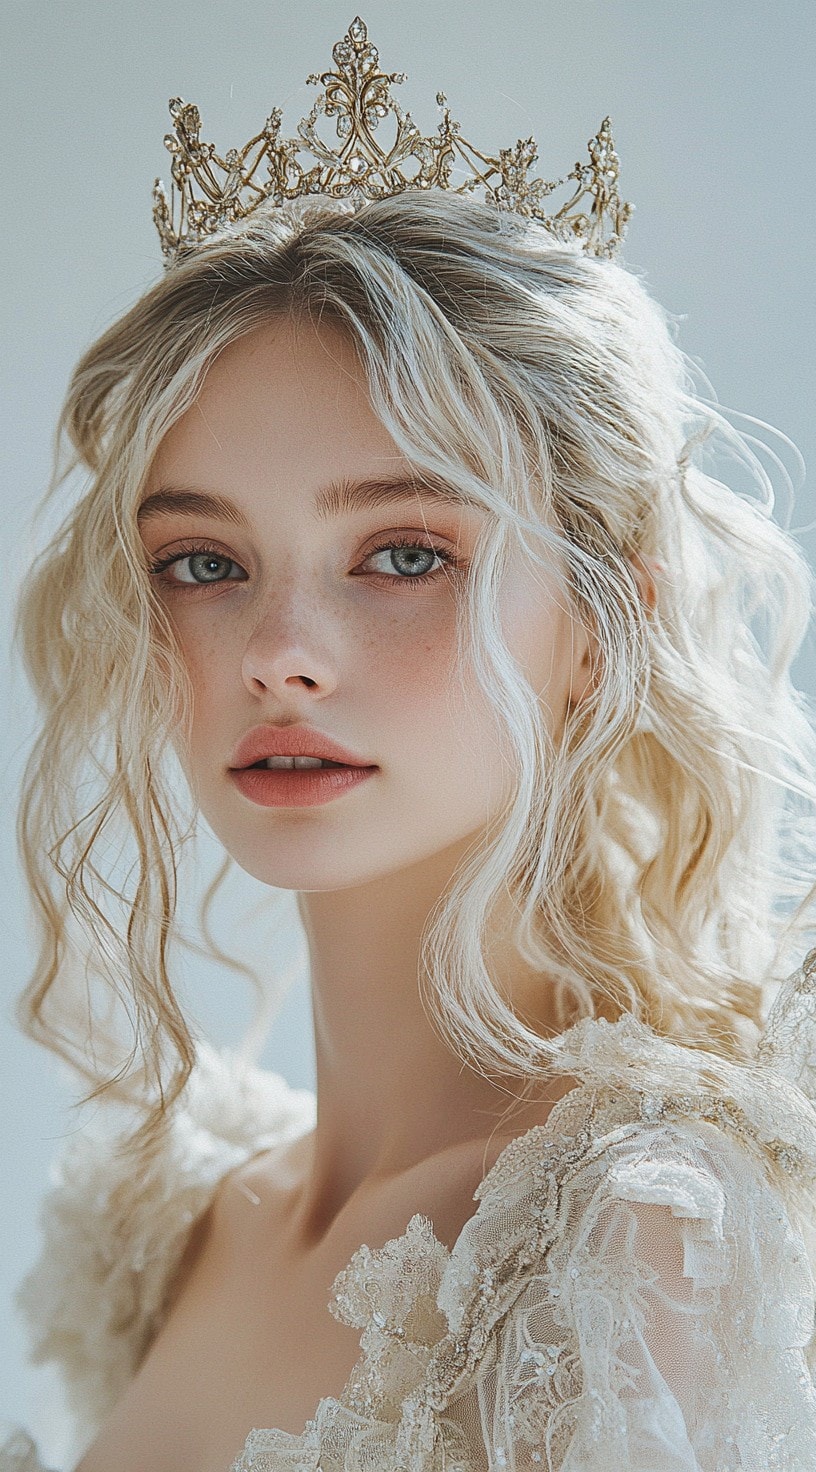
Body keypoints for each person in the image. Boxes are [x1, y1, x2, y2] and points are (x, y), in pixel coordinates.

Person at [3, 16, 816, 1471]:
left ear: (599, 621)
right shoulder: (175, 1225)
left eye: (401, 554)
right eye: (204, 562)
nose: (279, 652)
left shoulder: (629, 1239)